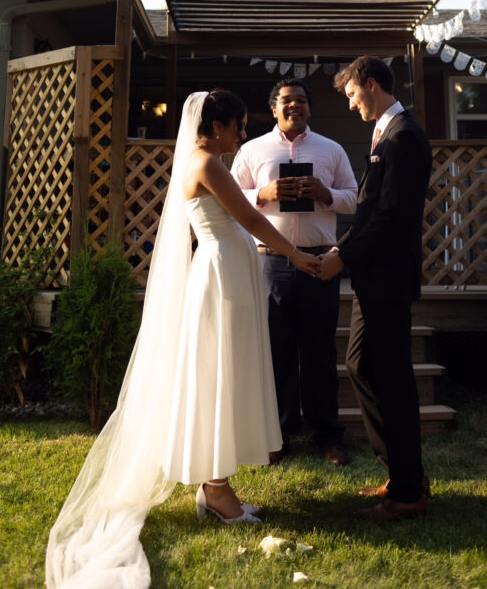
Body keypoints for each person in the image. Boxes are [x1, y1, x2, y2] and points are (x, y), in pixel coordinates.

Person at [45, 90, 319, 589]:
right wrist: (298, 257)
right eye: (237, 127)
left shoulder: (207, 159)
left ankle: (217, 486)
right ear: (215, 126)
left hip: (229, 272)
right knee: (220, 374)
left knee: (226, 374)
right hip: (221, 278)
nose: (240, 136)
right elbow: (252, 219)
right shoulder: (208, 164)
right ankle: (215, 491)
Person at [319, 57, 433, 520]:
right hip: (373, 274)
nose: (350, 104)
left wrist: (341, 257)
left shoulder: (403, 136)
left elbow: (390, 217)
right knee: (362, 364)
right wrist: (338, 251)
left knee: (389, 376)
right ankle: (403, 472)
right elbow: (370, 214)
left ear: (370, 84)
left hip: (386, 276)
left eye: (351, 94)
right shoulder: (388, 133)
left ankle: (407, 494)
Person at [231, 79, 357, 466]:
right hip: (270, 262)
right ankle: (278, 434)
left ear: (309, 109)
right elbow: (230, 200)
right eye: (287, 101)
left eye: (301, 101)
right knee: (277, 352)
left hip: (320, 262)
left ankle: (328, 436)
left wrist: (325, 194)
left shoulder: (331, 150)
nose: (294, 106)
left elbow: (354, 199)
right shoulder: (252, 150)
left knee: (319, 352)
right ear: (274, 109)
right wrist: (264, 194)